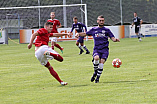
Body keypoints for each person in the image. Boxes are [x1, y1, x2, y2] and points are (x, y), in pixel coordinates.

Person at [75, 15, 120, 83]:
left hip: (105, 50)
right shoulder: (94, 30)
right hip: (97, 49)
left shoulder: (107, 30)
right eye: (100, 20)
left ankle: (97, 78)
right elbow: (85, 34)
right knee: (96, 58)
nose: (101, 22)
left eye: (102, 21)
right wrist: (78, 34)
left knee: (101, 63)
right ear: (97, 21)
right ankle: (95, 71)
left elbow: (112, 38)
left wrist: (115, 40)